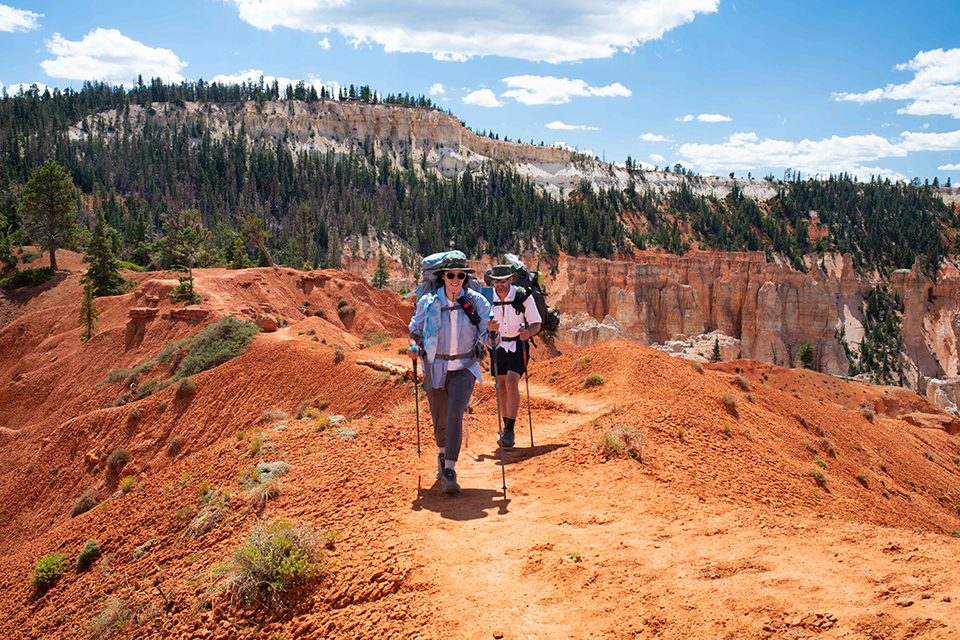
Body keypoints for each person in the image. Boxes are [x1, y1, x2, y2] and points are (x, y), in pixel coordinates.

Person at [408, 254, 498, 494]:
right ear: (442, 277)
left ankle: (449, 470)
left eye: (461, 275)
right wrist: (414, 346)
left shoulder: (477, 303)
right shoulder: (428, 302)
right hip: (435, 367)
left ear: (465, 277)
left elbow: (487, 338)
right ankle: (441, 454)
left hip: (465, 367)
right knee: (440, 419)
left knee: (455, 413)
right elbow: (415, 329)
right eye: (451, 275)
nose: (456, 279)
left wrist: (491, 333)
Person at [485, 264, 542, 447]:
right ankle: (505, 427)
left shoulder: (523, 297)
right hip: (497, 345)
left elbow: (536, 323)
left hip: (518, 344)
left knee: (511, 383)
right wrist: (487, 329)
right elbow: (479, 321)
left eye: (503, 281)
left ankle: (509, 429)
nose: (499, 285)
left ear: (510, 279)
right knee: (501, 386)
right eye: (496, 281)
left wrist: (529, 333)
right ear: (492, 281)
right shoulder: (487, 298)